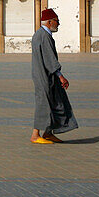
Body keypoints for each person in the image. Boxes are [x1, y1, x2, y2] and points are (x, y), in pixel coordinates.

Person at [31, 8, 78, 144]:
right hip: (44, 76)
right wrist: (60, 75)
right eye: (57, 21)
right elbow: (49, 59)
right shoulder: (43, 36)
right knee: (43, 103)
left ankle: (47, 132)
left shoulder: (42, 34)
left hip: (47, 75)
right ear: (50, 21)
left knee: (54, 102)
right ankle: (35, 134)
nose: (58, 24)